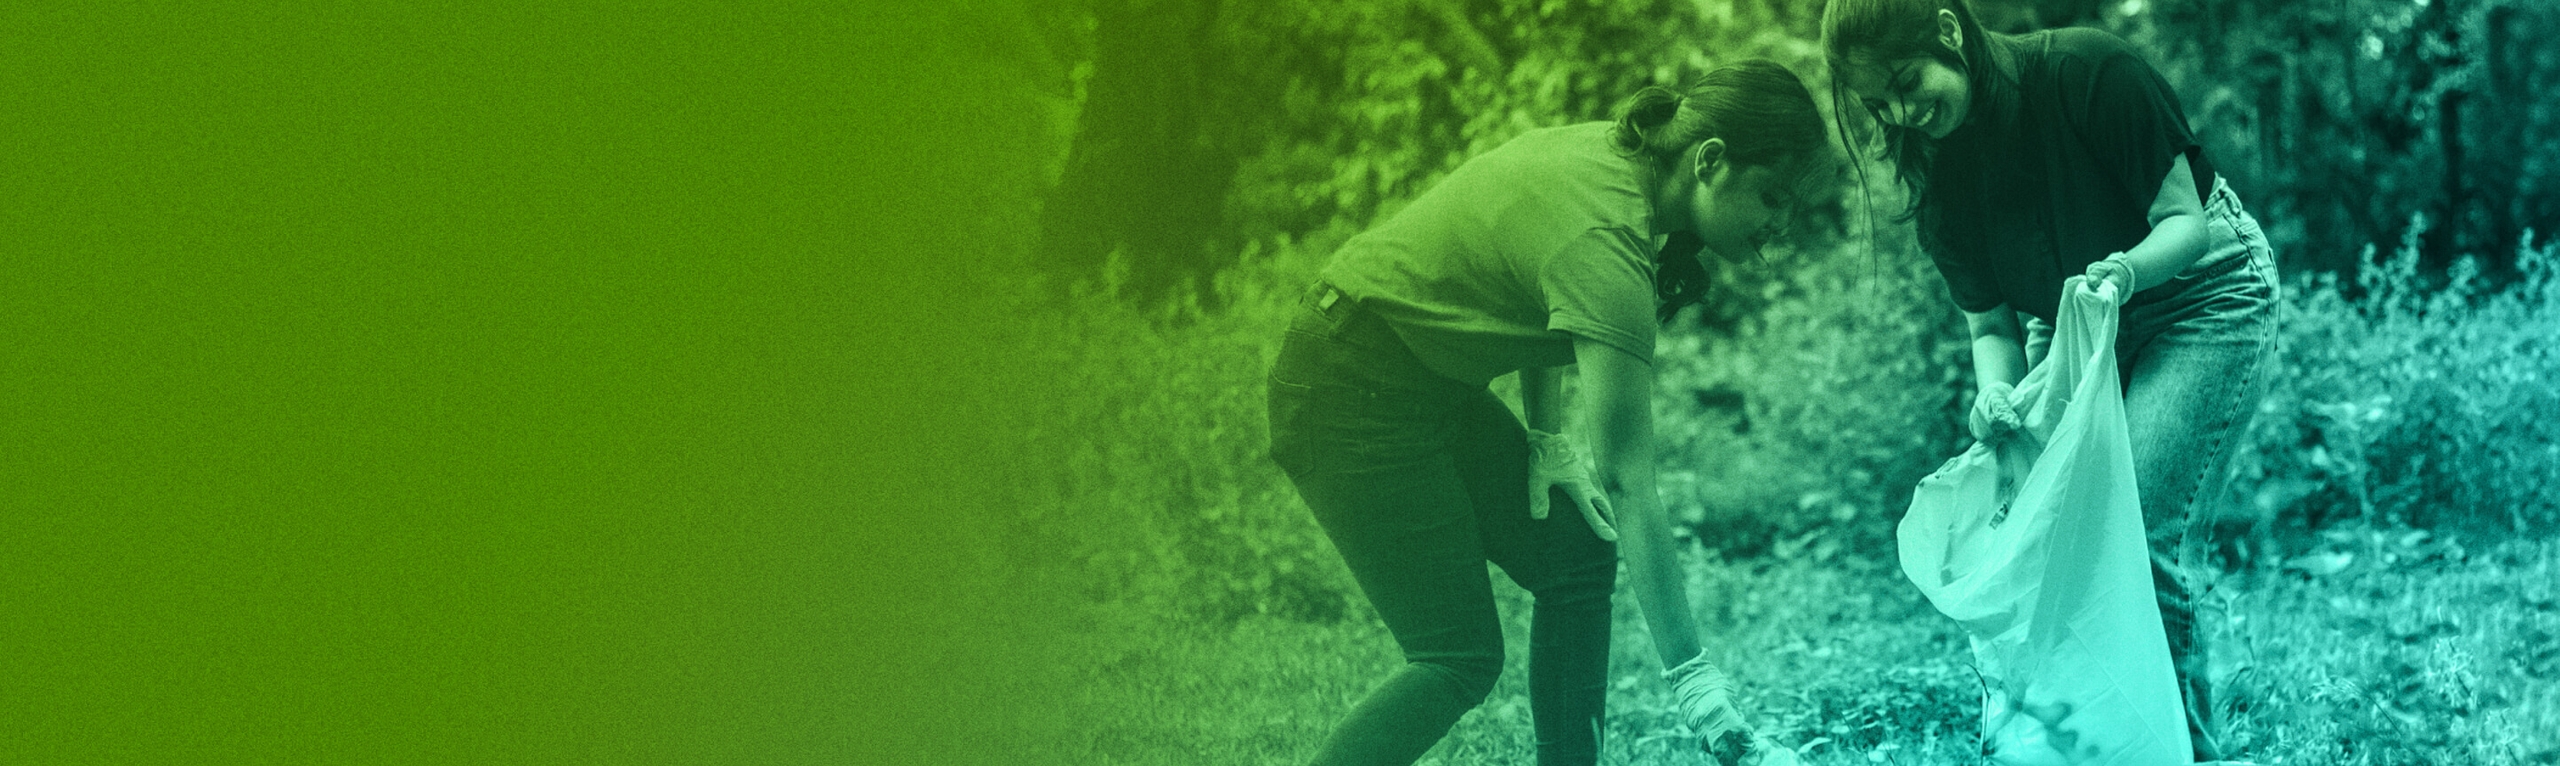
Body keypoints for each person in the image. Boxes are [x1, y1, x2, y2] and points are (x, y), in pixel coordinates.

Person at [1264, 60, 1824, 766]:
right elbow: (1629, 483)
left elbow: (1540, 293)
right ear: (1710, 161)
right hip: (1346, 383)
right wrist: (1697, 687)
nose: (1779, 228)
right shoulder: (1608, 239)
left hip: (1418, 380)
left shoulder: (1622, 158)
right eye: (1773, 198)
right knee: (1456, 654)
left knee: (1576, 553)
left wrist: (1546, 437)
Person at [1819, 1, 2279, 761]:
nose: (1902, 112)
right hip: (2070, 332)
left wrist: (2125, 273)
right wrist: (1994, 394)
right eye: (1879, 103)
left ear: (1946, 27)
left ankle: (2191, 751)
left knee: (2137, 531)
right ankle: (2096, 744)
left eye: (1906, 82)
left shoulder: (2089, 71)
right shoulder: (1935, 174)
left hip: (2202, 296)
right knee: (2054, 542)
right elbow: (1990, 329)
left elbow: (2185, 224)